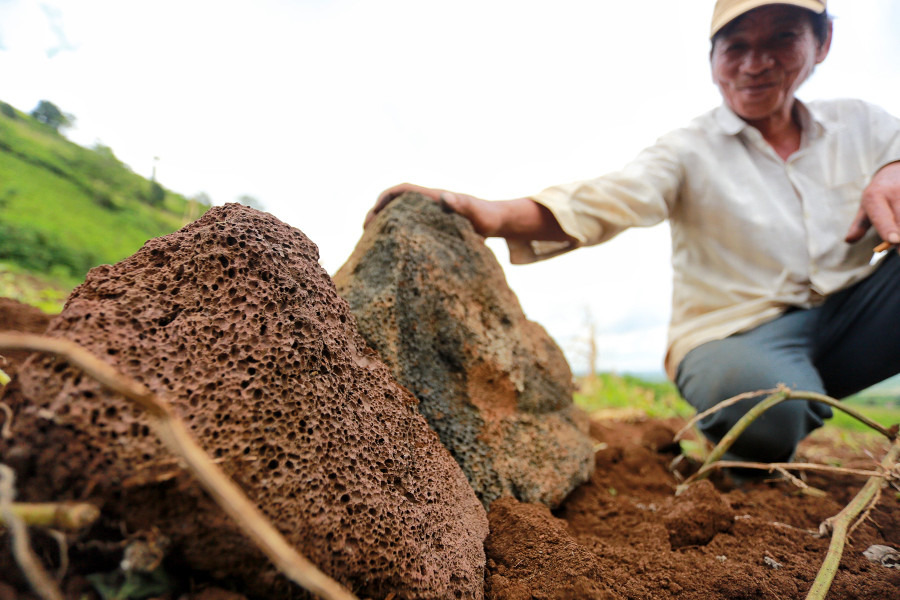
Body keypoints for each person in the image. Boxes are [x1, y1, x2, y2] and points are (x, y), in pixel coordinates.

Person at [365, 0, 900, 469]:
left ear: (822, 41)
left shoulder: (866, 127)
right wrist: (486, 212)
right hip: (734, 338)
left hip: (853, 316)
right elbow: (606, 199)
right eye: (736, 46)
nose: (755, 64)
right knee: (767, 406)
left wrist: (894, 167)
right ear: (712, 60)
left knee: (786, 391)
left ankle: (792, 402)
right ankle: (745, 450)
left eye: (782, 38)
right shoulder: (690, 149)